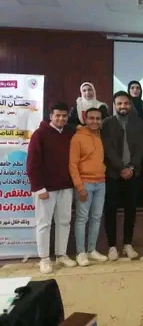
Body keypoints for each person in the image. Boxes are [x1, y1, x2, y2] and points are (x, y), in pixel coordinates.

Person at [27, 102, 77, 274]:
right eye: (58, 115)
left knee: (64, 221)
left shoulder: (70, 133)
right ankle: (44, 259)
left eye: (64, 116)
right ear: (51, 116)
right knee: (44, 224)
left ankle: (61, 254)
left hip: (66, 186)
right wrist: (38, 187)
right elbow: (32, 164)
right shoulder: (39, 134)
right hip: (45, 189)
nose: (61, 118)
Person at [101, 91, 143, 261]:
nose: (123, 106)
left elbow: (141, 146)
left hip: (133, 174)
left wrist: (131, 167)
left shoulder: (137, 122)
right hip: (113, 174)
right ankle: (112, 246)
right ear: (114, 105)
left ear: (130, 105)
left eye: (126, 103)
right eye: (119, 103)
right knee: (111, 210)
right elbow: (107, 149)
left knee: (130, 210)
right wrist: (121, 168)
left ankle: (127, 244)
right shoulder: (107, 123)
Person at [69, 107, 108, 266]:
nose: (94, 121)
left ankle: (92, 250)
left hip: (101, 183)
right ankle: (81, 252)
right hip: (85, 183)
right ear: (85, 119)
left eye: (98, 119)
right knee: (82, 218)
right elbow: (73, 165)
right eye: (91, 118)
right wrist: (80, 187)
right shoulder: (77, 138)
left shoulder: (101, 136)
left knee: (96, 217)